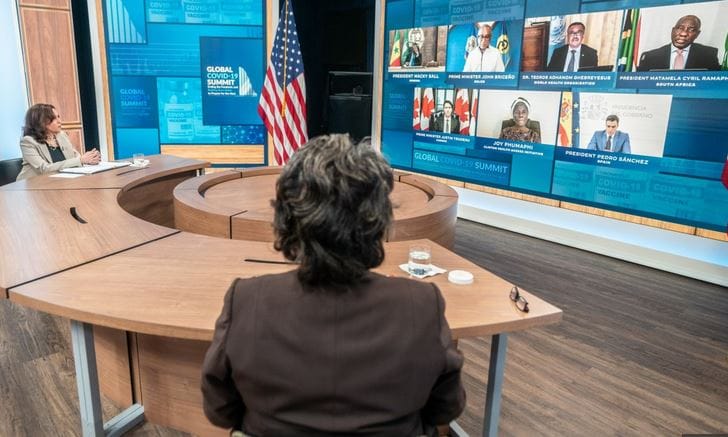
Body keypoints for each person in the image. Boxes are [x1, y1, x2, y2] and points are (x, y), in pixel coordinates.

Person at [201, 134, 466, 437]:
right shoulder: (422, 303)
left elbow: (220, 410)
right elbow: (446, 408)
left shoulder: (246, 300)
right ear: (379, 220)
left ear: (287, 219)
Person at [16, 103, 100, 180]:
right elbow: (44, 169)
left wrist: (90, 159)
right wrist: (80, 160)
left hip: (58, 181)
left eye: (58, 117)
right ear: (41, 122)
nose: (59, 121)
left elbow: (75, 158)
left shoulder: (62, 135)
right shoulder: (28, 141)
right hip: (33, 184)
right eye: (54, 119)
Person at [637, 15, 720, 71]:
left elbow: (715, 85)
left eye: (691, 30)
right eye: (680, 28)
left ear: (697, 34)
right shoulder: (650, 57)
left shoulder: (709, 55)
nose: (683, 34)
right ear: (673, 30)